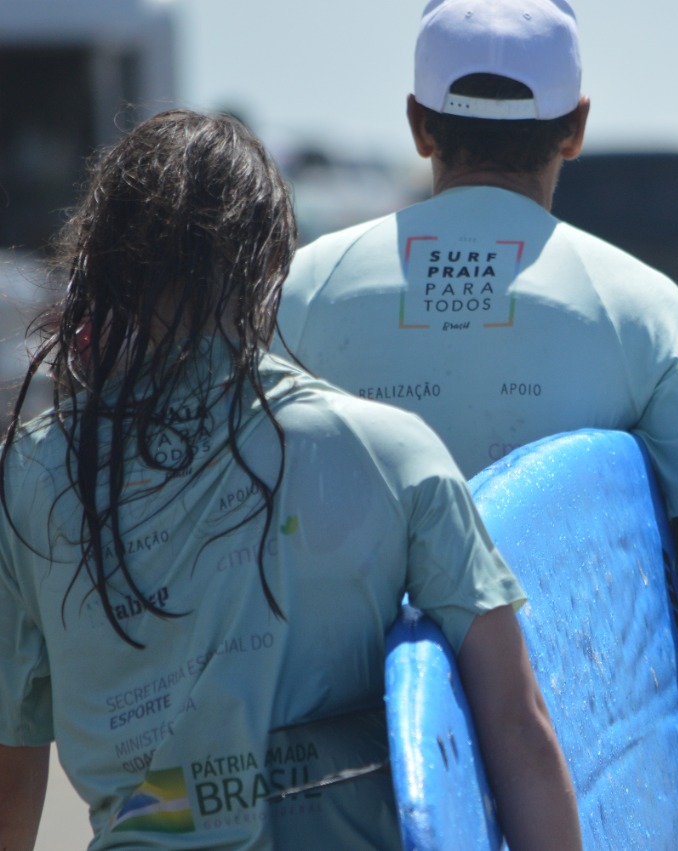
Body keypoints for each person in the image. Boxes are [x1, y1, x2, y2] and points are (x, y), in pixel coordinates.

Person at [273, 1, 678, 846]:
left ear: (418, 124)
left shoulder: (300, 289)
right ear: (575, 128)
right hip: (565, 790)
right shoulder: (641, 306)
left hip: (331, 787)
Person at [0, 109, 581, 851]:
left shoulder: (34, 475)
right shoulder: (392, 453)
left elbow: (11, 775)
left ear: (105, 265)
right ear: (273, 266)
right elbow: (518, 730)